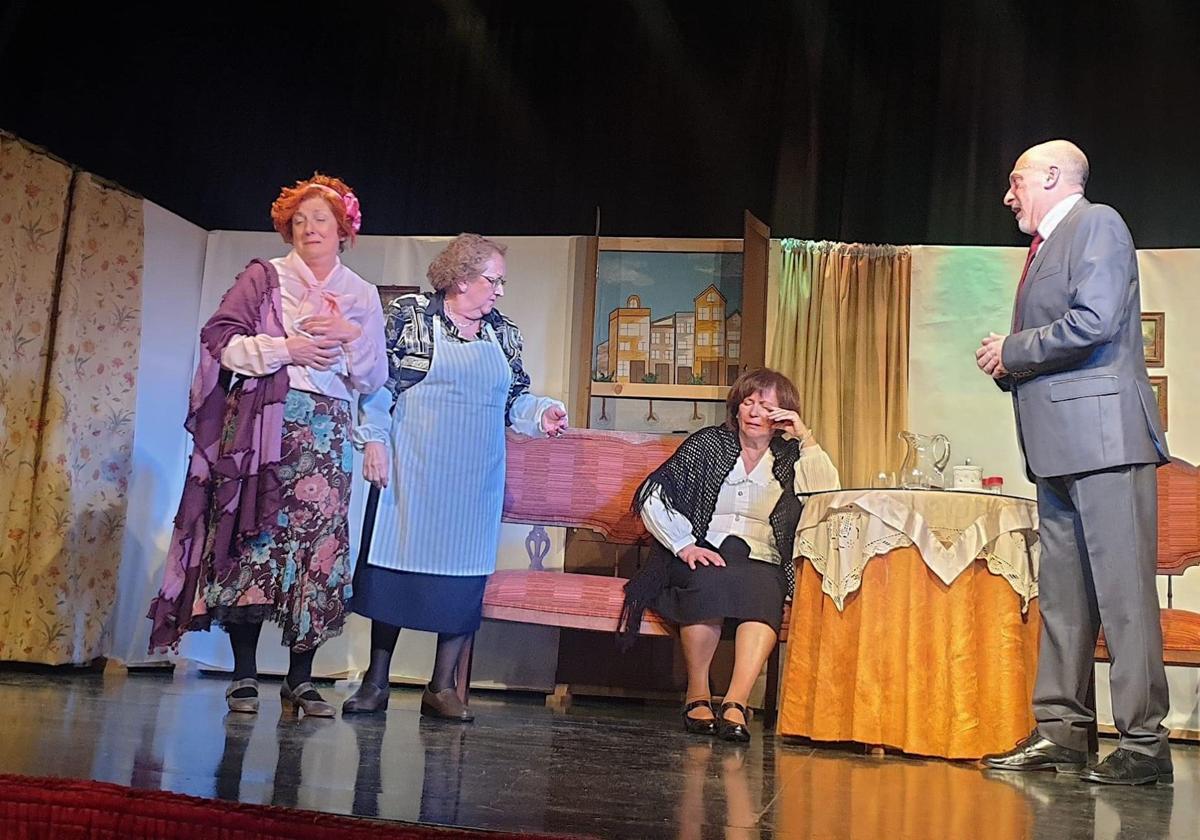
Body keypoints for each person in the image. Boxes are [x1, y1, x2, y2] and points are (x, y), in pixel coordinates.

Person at [147, 174, 388, 717]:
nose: (309, 229)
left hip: (326, 432)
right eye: (299, 221)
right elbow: (221, 342)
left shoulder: (361, 294)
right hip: (262, 425)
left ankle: (300, 679)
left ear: (343, 229)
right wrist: (286, 348)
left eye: (320, 219)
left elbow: (373, 379)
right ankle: (244, 674)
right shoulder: (265, 277)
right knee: (253, 540)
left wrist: (350, 337)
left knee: (316, 547)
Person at [977, 140, 1172, 785]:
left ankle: (1143, 744)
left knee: (1123, 599)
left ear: (1053, 176)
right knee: (1063, 601)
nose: (1008, 196)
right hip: (1057, 446)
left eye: (1017, 181)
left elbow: (1094, 321)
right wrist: (1009, 365)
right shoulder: (1045, 247)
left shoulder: (1097, 224)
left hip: (1105, 442)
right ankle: (1061, 733)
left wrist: (1013, 348)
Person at [343, 233, 569, 720]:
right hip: (413, 474)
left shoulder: (503, 333)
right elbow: (379, 387)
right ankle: (376, 682)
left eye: (502, 282)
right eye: (494, 280)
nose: (500, 291)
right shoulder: (411, 317)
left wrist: (542, 412)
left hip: (474, 483)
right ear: (462, 278)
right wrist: (375, 440)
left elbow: (514, 400)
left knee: (461, 588)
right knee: (394, 580)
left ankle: (442, 687)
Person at [619, 367, 840, 742]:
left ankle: (737, 702)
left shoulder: (791, 456)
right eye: (748, 402)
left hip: (762, 557)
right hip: (703, 550)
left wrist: (805, 438)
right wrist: (684, 544)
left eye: (765, 406)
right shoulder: (708, 444)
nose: (754, 412)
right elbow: (653, 495)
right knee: (707, 580)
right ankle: (698, 694)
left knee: (765, 590)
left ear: (782, 415)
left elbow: (826, 498)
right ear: (736, 408)